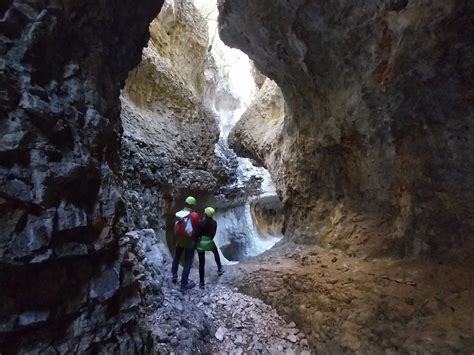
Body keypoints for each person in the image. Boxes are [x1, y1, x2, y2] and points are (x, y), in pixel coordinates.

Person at [171, 196, 200, 291]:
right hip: (189, 241)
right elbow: (196, 229)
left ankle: (174, 276)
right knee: (188, 262)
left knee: (176, 257)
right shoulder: (194, 215)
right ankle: (183, 285)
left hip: (179, 240)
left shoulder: (178, 214)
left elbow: (176, 228)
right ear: (192, 205)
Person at [196, 207, 224, 289]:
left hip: (201, 243)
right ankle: (219, 269)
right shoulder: (214, 223)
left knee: (201, 262)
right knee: (216, 253)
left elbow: (197, 234)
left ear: (206, 214)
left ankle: (202, 283)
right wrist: (209, 239)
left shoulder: (201, 223)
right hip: (209, 241)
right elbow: (213, 234)